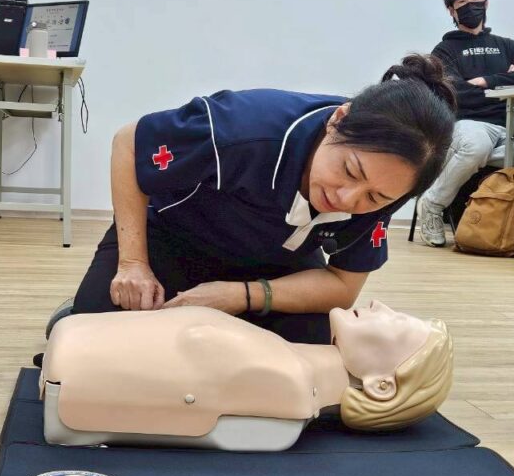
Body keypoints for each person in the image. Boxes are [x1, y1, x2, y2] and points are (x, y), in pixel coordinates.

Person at [61, 54, 457, 346]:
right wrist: (133, 263)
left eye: (376, 197)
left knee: (314, 351)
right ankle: (78, 311)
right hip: (173, 237)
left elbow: (342, 284)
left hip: (274, 267)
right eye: (350, 171)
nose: (347, 199)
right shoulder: (244, 128)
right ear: (338, 119)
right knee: (95, 334)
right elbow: (130, 142)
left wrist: (241, 296)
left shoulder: (387, 189)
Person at [42, 301, 453, 450]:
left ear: (382, 385)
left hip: (75, 363)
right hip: (76, 349)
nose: (380, 304)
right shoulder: (282, 358)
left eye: (397, 322)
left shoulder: (285, 377)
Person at [415, 0, 514, 247]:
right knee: (475, 145)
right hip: (469, 124)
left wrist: (484, 81)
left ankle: (474, 157)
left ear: (486, 2)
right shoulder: (444, 50)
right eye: (462, 2)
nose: (471, 5)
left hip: (507, 126)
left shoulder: (508, 45)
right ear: (451, 10)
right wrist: (504, 80)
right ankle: (433, 204)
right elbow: (457, 93)